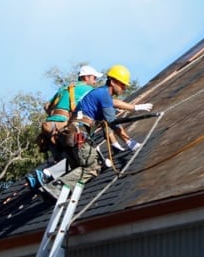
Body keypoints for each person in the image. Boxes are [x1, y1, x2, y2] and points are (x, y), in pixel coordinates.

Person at [39, 64, 144, 202]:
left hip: (62, 134)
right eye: (122, 85)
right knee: (92, 167)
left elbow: (47, 106)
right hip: (77, 134)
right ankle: (55, 187)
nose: (124, 88)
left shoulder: (67, 88)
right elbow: (111, 122)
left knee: (76, 168)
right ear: (112, 82)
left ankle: (53, 185)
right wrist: (129, 142)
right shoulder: (95, 92)